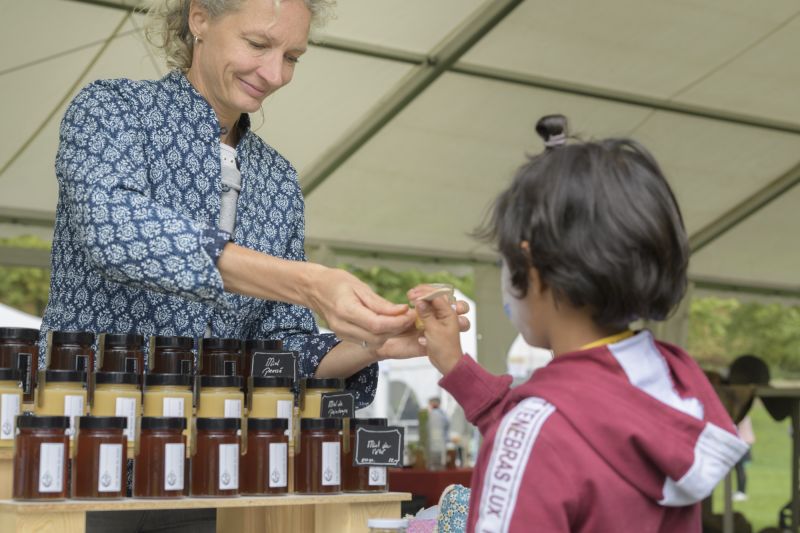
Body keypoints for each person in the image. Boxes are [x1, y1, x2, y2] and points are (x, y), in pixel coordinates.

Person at [40, 0, 468, 410]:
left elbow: (280, 352)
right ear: (200, 18)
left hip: (210, 455)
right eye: (259, 45)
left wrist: (371, 344)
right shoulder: (113, 110)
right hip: (79, 434)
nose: (275, 73)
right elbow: (116, 232)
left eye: (292, 57)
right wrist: (309, 282)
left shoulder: (277, 180)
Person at [412, 115, 748, 532]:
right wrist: (457, 368)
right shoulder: (670, 383)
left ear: (529, 266)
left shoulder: (537, 427)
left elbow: (541, 434)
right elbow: (573, 426)